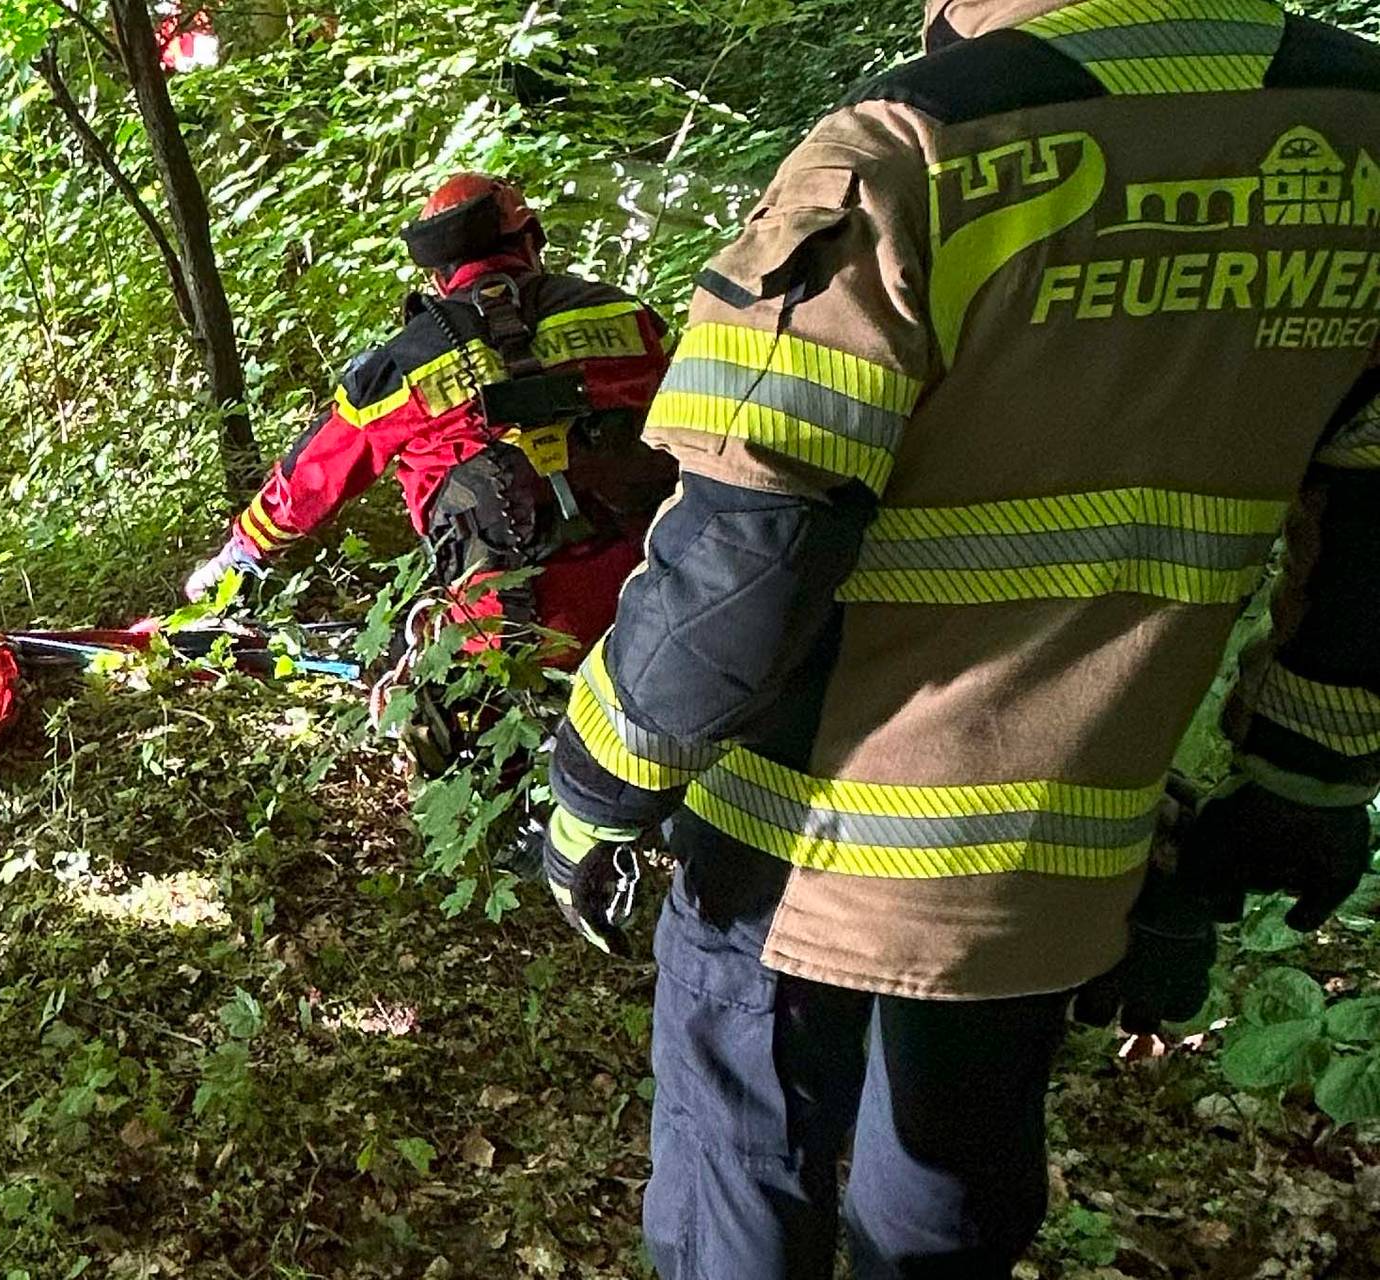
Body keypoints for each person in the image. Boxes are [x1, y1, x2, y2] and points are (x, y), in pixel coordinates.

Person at [534, 3, 1380, 1276]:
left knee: (741, 1176)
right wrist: (1303, 782)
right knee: (951, 1196)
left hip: (796, 834)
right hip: (1065, 846)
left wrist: (598, 778)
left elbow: (748, 552)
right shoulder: (1358, 133)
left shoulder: (915, 150)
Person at [184, 173, 676, 675]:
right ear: (530, 239)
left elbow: (313, 479)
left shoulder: (403, 366)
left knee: (403, 679)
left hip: (513, 637)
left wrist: (237, 557)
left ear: (439, 276)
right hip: (665, 605)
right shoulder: (625, 315)